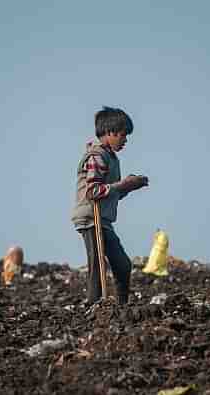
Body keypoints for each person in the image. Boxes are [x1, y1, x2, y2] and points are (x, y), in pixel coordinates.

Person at [71, 106, 149, 305]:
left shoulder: (112, 159)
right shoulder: (97, 156)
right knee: (97, 263)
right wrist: (122, 184)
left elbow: (111, 193)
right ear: (108, 133)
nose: (125, 140)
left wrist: (130, 187)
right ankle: (93, 303)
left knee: (122, 264)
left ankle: (122, 305)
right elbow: (93, 192)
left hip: (103, 219)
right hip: (90, 217)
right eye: (122, 135)